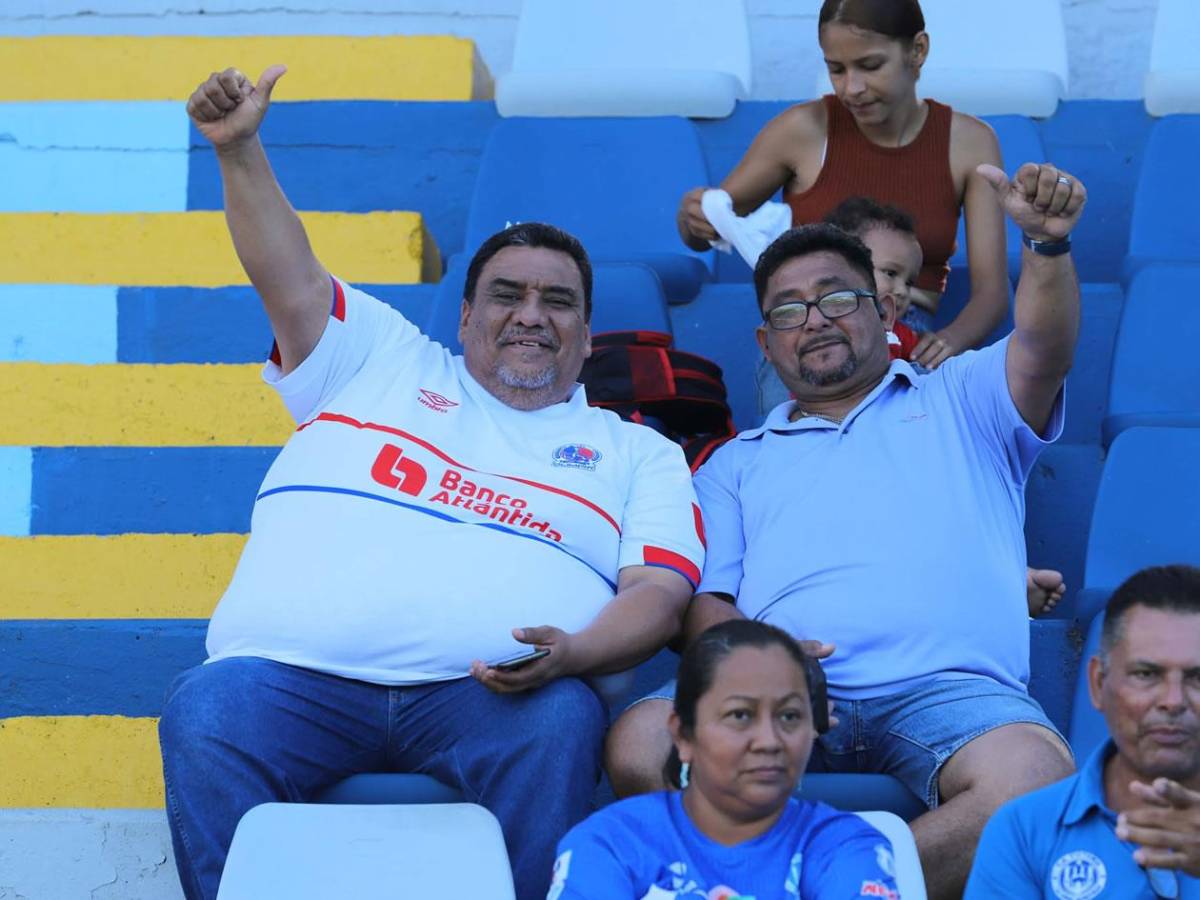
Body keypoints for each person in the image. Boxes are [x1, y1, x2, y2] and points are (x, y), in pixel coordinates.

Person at [160, 66, 705, 900]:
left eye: (557, 301)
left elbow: (660, 597)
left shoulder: (638, 451)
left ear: (588, 334)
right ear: (463, 317)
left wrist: (575, 655)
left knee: (561, 725)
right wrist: (238, 152)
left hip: (493, 696)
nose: (531, 313)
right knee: (205, 714)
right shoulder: (377, 358)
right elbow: (288, 272)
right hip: (291, 682)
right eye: (507, 295)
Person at [608, 159, 1087, 899]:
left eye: (836, 296)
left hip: (950, 690)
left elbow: (1044, 349)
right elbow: (709, 604)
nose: (817, 319)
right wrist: (752, 655)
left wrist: (1047, 250)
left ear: (885, 312)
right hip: (779, 687)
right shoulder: (733, 465)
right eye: (790, 310)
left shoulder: (964, 398)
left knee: (1034, 783)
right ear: (767, 347)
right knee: (640, 741)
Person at [677, 0, 1008, 379]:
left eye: (870, 66)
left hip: (906, 333)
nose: (852, 88)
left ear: (918, 50)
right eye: (836, 69)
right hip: (810, 325)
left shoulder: (971, 142)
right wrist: (693, 219)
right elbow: (709, 227)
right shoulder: (802, 129)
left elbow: (991, 292)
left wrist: (950, 341)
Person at [823, 195, 1065, 618]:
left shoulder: (914, 346)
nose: (901, 289)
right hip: (846, 470)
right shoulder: (817, 349)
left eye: (908, 280)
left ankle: (1005, 576)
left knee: (954, 488)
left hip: (913, 459)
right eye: (890, 273)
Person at [549, 620, 901, 899]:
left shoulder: (846, 845)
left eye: (790, 717)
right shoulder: (609, 842)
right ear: (684, 735)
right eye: (739, 716)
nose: (769, 741)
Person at [966, 565, 1200, 898]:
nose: (1173, 701)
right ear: (1098, 683)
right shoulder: (1024, 829)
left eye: (1197, 678)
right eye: (1146, 674)